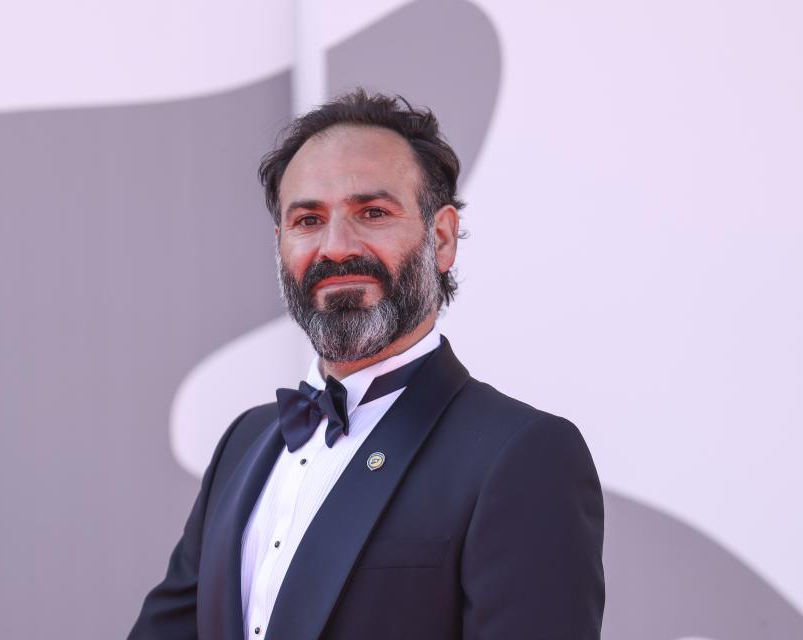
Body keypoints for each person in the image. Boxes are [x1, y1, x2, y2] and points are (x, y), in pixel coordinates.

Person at [128, 89, 604, 639]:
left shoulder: (523, 453)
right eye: (307, 220)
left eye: (373, 212)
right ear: (279, 244)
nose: (336, 246)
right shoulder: (244, 441)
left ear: (442, 238)